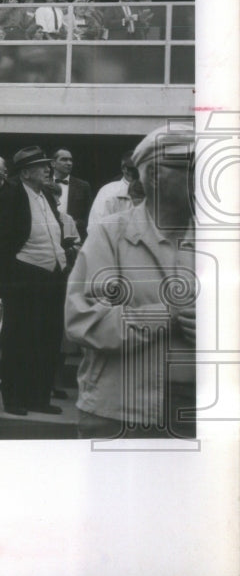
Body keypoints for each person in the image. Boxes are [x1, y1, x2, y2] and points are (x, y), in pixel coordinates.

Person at [66, 126, 195, 438]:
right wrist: (166, 315)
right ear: (153, 176)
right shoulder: (111, 234)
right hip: (119, 412)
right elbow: (81, 319)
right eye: (189, 168)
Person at [0, 146, 68, 417]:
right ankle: (15, 399)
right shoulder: (9, 194)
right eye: (41, 166)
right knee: (19, 340)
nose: (48, 169)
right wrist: (12, 275)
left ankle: (38, 397)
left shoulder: (46, 197)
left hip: (52, 277)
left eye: (47, 164)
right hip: (24, 277)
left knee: (48, 339)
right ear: (26, 172)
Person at [87, 151, 139, 234]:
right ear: (124, 169)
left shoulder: (157, 192)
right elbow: (96, 227)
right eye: (135, 169)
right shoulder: (108, 191)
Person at [51, 148, 92, 240]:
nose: (69, 163)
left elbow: (90, 215)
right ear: (53, 163)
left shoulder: (83, 186)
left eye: (71, 160)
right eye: (64, 159)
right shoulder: (44, 184)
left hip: (74, 236)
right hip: (49, 234)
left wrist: (74, 223)